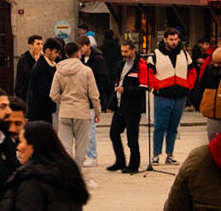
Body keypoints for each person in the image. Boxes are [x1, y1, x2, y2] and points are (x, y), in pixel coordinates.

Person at [49, 42, 101, 176]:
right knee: (80, 146)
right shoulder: (86, 71)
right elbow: (94, 95)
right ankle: (76, 174)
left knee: (65, 146)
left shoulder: (59, 71)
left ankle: (65, 172)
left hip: (65, 112)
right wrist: (97, 111)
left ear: (66, 54)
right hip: (82, 111)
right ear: (79, 53)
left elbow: (53, 94)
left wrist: (64, 101)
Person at [147, 29, 194, 167]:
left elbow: (192, 72)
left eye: (176, 39)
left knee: (173, 127)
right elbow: (149, 73)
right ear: (165, 40)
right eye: (171, 39)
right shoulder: (155, 55)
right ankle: (156, 154)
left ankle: (170, 154)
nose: (174, 42)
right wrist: (157, 85)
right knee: (160, 126)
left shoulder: (184, 55)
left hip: (180, 95)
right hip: (162, 96)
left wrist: (188, 85)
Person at [109, 41, 144, 174]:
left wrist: (126, 90)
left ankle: (134, 163)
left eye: (126, 51)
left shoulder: (140, 65)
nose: (124, 54)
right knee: (114, 133)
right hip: (119, 105)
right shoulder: (120, 65)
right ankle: (120, 160)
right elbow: (117, 84)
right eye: (122, 51)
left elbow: (142, 88)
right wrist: (112, 104)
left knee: (132, 138)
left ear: (133, 50)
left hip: (133, 107)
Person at [25, 37, 61, 126]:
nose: (57, 55)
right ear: (48, 51)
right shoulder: (42, 67)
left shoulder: (48, 65)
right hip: (40, 110)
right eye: (55, 52)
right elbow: (45, 90)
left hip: (44, 109)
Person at [14, 36, 43, 108]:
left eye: (42, 44)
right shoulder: (24, 59)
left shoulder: (40, 59)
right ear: (31, 45)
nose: (40, 47)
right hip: (24, 93)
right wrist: (36, 62)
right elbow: (29, 75)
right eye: (38, 44)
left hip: (35, 94)